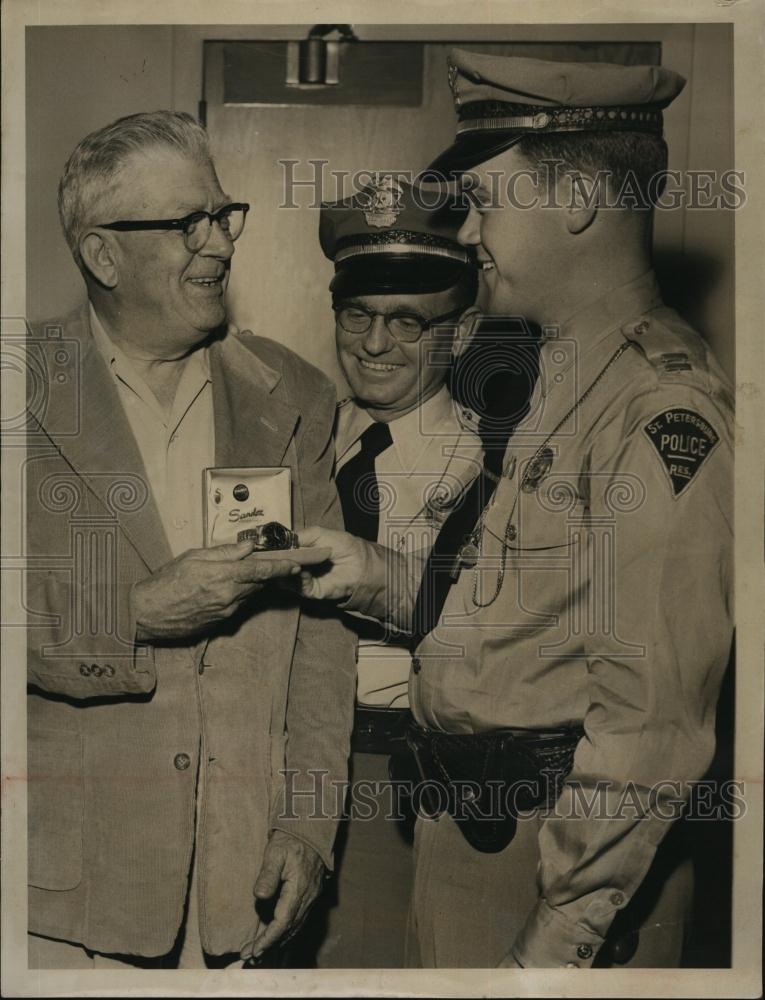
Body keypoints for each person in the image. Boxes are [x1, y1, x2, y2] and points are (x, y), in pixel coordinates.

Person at [297, 51, 735, 969]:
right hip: (472, 840)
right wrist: (381, 582)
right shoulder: (564, 373)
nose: (474, 228)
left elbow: (649, 725)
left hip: (556, 873)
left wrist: (558, 945)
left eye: (489, 200)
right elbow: (527, 621)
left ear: (574, 200)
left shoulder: (656, 409)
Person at [25, 110, 356, 969]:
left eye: (223, 215)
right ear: (103, 255)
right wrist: (133, 613)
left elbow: (322, 640)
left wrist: (309, 825)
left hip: (239, 891)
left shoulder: (293, 393)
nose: (219, 245)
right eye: (186, 224)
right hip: (62, 900)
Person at [301, 177, 483, 966]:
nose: (373, 345)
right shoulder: (292, 441)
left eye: (407, 321)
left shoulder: (494, 471)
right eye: (357, 315)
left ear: (462, 329)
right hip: (278, 763)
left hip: (398, 777)